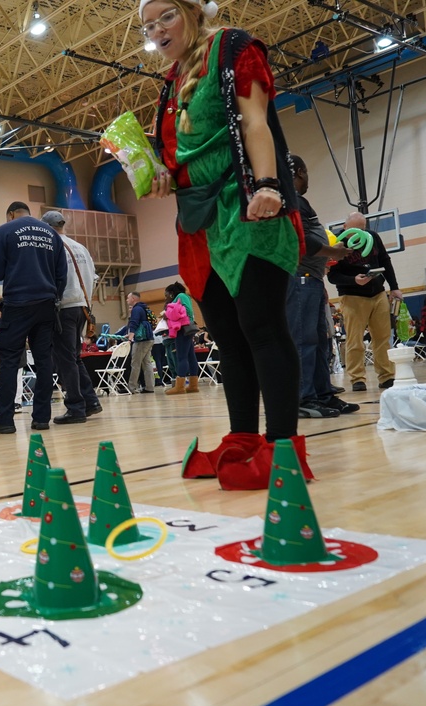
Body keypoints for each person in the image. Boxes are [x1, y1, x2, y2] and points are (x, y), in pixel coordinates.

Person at [142, 0, 311, 489]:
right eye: (149, 25)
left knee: (262, 326)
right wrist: (160, 177)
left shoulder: (233, 46)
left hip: (248, 206)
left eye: (166, 16)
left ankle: (283, 449)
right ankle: (242, 440)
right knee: (229, 339)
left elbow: (255, 121)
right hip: (199, 225)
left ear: (194, 12)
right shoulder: (170, 85)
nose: (157, 30)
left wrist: (269, 185)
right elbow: (188, 160)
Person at [0, 201, 66, 434]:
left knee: (9, 360)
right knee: (44, 361)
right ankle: (41, 419)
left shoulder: (4, 231)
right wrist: (53, 297)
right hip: (46, 304)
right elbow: (62, 275)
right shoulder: (52, 234)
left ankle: (4, 420)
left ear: (10, 215)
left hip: (18, 304)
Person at [285, 155, 358, 417]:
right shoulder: (291, 199)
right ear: (301, 172)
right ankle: (305, 398)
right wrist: (332, 252)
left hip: (310, 279)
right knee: (304, 341)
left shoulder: (296, 200)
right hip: (300, 279)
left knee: (318, 343)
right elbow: (302, 239)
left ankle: (323, 394)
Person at [328, 211, 403, 391]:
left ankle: (386, 376)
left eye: (362, 228)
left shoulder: (373, 237)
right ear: (345, 227)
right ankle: (357, 378)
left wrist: (394, 287)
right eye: (354, 229)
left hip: (377, 293)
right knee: (355, 340)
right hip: (352, 295)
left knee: (382, 338)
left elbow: (385, 261)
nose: (359, 233)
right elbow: (332, 276)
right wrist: (353, 280)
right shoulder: (337, 243)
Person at [43, 210, 103, 423]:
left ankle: (75, 407)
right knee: (74, 357)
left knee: (65, 359)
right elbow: (94, 277)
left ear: (47, 228)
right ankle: (91, 401)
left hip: (64, 307)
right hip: (82, 308)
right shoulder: (81, 248)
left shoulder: (51, 247)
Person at [162, 282, 201, 395]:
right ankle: (193, 385)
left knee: (181, 357)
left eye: (167, 294)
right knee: (190, 356)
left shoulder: (181, 296)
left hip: (182, 329)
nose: (166, 297)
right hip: (187, 329)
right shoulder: (185, 296)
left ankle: (180, 386)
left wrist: (168, 315)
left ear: (172, 293)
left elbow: (187, 310)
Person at [124, 291, 156, 394]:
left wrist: (130, 338)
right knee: (147, 363)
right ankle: (150, 386)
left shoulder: (136, 309)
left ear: (133, 299)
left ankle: (131, 388)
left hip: (141, 340)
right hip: (149, 338)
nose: (127, 300)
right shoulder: (143, 308)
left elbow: (134, 323)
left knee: (135, 363)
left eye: (128, 298)